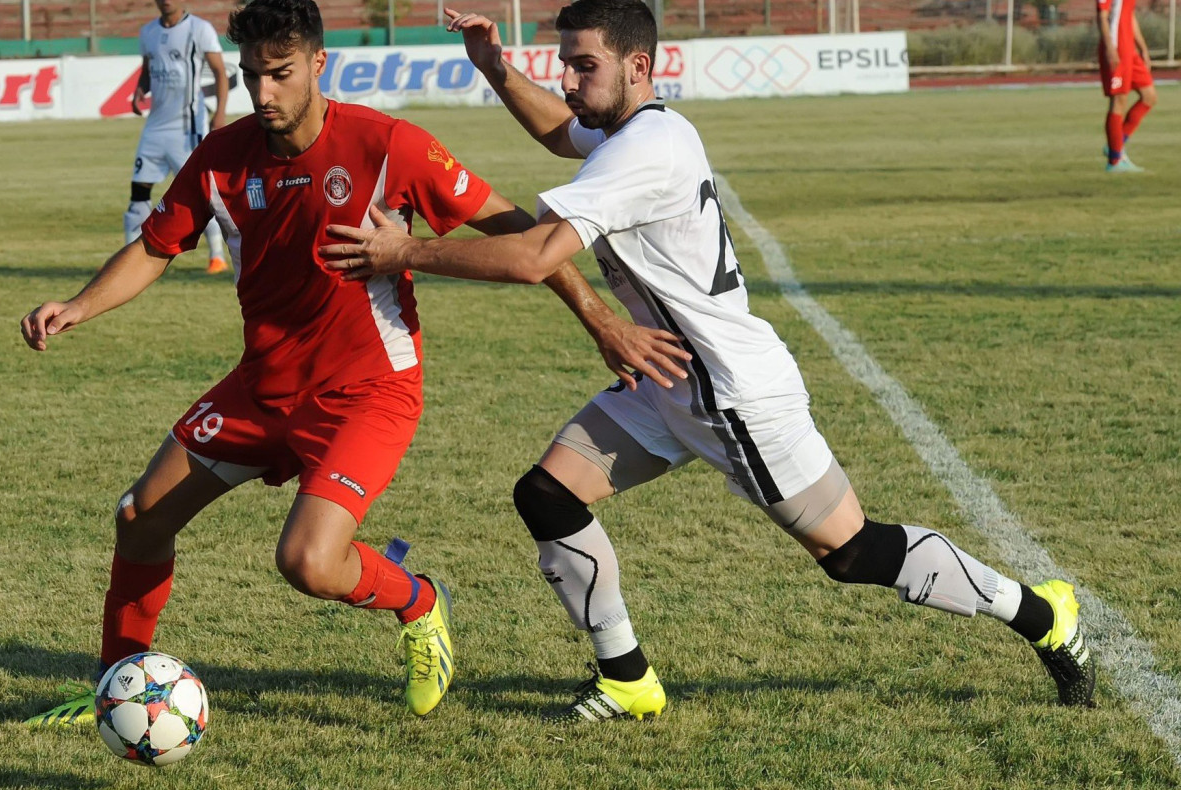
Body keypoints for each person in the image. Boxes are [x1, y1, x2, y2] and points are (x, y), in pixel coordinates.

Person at [323, 0, 1096, 721]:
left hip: (734, 396)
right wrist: (494, 67)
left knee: (851, 551)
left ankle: (1042, 613)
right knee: (548, 495)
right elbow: (561, 130)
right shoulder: (638, 130)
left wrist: (404, 250)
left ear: (638, 68)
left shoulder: (645, 150)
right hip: (663, 377)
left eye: (583, 65)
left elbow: (533, 258)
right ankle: (626, 678)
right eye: (565, 62)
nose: (568, 78)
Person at [21, 0, 688, 725]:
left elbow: (519, 230)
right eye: (252, 77)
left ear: (318, 64)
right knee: (140, 517)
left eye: (280, 74)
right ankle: (116, 689)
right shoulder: (221, 158)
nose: (264, 93)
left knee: (307, 563)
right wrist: (79, 305)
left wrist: (600, 322)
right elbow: (157, 245)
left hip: (367, 393)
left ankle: (418, 599)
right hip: (261, 388)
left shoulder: (387, 145)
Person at [127, 0, 233, 273]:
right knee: (138, 190)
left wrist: (220, 113)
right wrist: (140, 91)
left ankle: (217, 256)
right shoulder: (148, 32)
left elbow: (221, 73)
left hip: (189, 128)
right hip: (155, 127)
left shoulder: (200, 29)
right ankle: (127, 258)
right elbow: (148, 71)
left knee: (203, 193)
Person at [1098, 0, 1157, 172]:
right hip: (1117, 50)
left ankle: (1115, 145)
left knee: (1149, 96)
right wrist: (1110, 48)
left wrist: (1143, 48)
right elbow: (1102, 17)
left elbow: (1128, 15)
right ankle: (1115, 161)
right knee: (1119, 100)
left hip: (1129, 50)